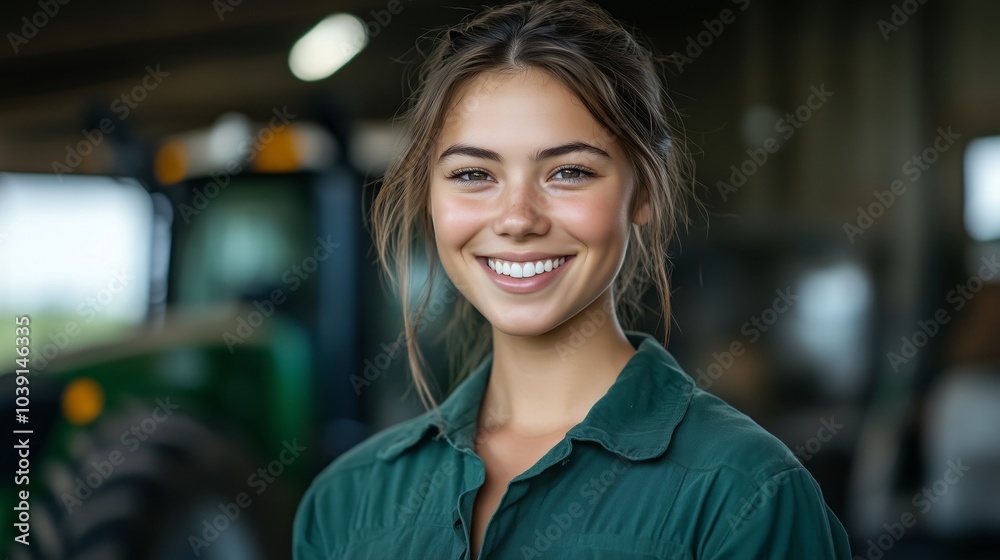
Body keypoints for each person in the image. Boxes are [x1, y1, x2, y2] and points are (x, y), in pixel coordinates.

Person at [293, 0, 852, 558]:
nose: (517, 218)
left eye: (569, 172)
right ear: (430, 198)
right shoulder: (346, 504)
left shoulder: (744, 497)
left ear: (645, 193)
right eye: (472, 174)